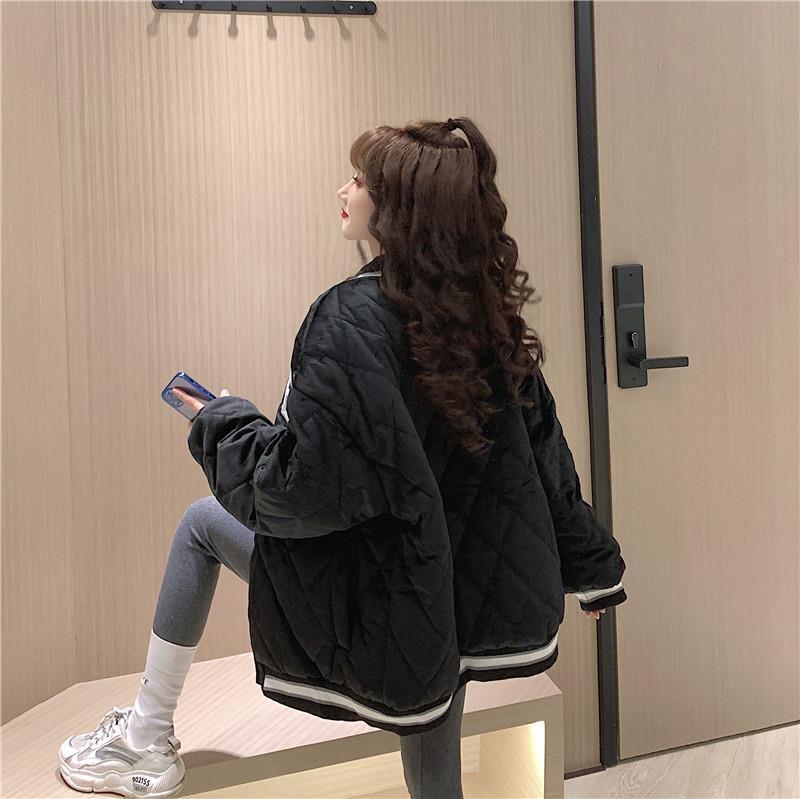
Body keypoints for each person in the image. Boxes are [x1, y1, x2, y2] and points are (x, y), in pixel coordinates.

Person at [58, 116, 624, 799]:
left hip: (381, 587)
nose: (343, 190)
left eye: (358, 179)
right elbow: (547, 457)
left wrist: (222, 420)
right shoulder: (483, 313)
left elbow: (297, 490)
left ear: (397, 206)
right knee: (433, 696)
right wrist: (595, 571)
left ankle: (145, 737)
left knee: (200, 525)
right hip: (457, 584)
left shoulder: (347, 320)